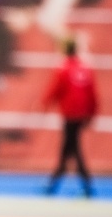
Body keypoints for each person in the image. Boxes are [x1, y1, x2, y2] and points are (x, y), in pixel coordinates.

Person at [42, 37, 98, 197]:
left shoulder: (64, 68)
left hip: (70, 114)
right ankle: (55, 184)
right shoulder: (85, 69)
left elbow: (56, 89)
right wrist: (92, 113)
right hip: (81, 115)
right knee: (70, 149)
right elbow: (92, 93)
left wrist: (45, 104)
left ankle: (63, 184)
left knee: (71, 150)